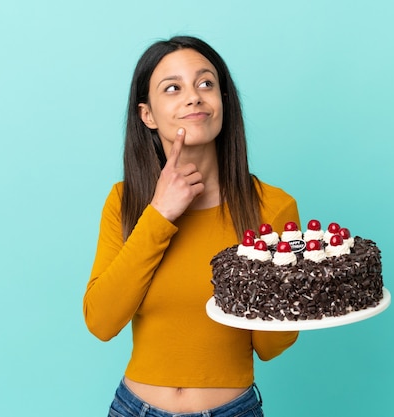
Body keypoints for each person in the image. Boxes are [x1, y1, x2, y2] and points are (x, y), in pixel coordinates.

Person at [83, 35, 300, 417]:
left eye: (206, 83)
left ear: (223, 104)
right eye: (173, 88)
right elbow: (101, 322)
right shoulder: (125, 202)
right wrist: (160, 214)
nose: (194, 96)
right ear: (147, 115)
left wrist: (274, 286)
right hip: (136, 409)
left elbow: (271, 346)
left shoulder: (273, 207)